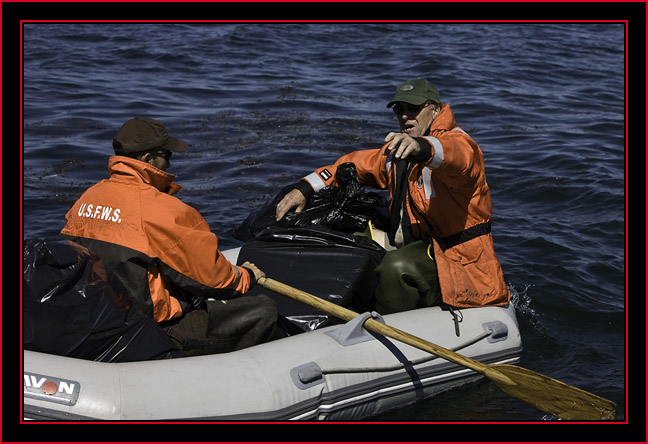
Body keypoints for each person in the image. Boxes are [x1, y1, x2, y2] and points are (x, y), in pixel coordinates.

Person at [275, 79, 509, 314]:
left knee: (398, 266)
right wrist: (306, 187)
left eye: (413, 109)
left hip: (459, 260)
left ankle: (382, 325)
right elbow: (354, 164)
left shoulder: (457, 144)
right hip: (415, 242)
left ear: (435, 109)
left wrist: (420, 148)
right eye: (400, 109)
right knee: (343, 235)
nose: (405, 116)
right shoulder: (397, 152)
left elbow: (456, 155)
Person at [60, 117, 278, 356]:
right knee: (263, 310)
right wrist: (246, 276)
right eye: (167, 156)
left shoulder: (87, 199)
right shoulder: (162, 210)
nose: (169, 165)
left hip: (98, 320)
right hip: (148, 329)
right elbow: (214, 279)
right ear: (147, 159)